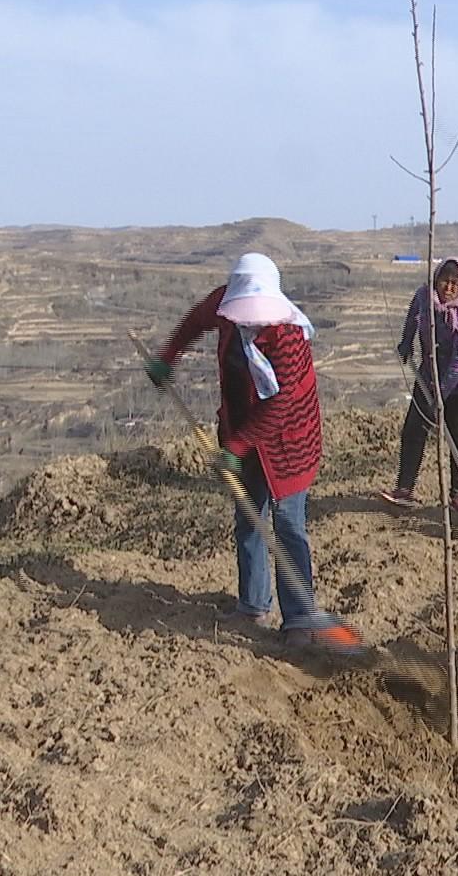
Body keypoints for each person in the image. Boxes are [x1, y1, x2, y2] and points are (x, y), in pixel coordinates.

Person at [146, 253, 330, 648]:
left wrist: (237, 445)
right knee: (249, 517)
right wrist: (167, 358)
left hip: (289, 442)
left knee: (288, 526)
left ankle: (299, 619)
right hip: (239, 429)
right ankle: (253, 605)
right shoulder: (225, 304)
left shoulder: (287, 337)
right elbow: (195, 320)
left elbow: (280, 406)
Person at [380, 258, 458, 514]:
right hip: (427, 375)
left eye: (453, 283)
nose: (447, 287)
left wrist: (442, 392)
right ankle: (404, 489)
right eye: (443, 281)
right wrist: (406, 343)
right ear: (435, 279)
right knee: (414, 429)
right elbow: (413, 317)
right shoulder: (425, 297)